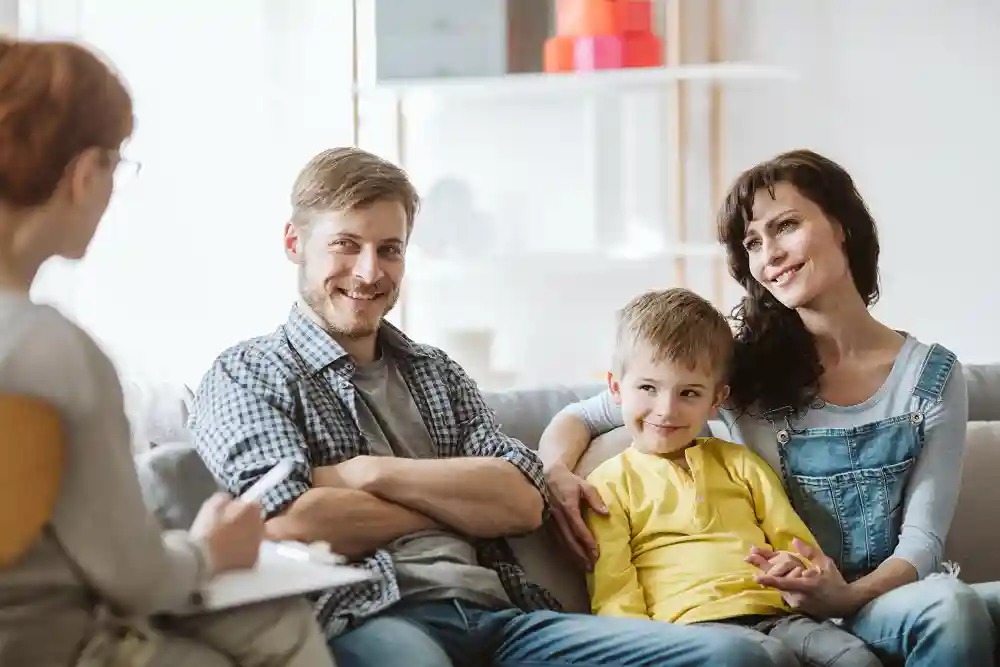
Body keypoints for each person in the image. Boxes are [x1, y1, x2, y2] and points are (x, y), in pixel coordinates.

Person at [188, 145, 792, 667]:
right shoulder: (248, 374)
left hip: (503, 617)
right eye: (346, 245)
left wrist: (370, 474)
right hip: (375, 617)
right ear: (295, 242)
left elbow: (522, 502)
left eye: (390, 249)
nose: (369, 272)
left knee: (733, 656)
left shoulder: (437, 373)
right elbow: (286, 523)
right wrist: (457, 507)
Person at [538, 148, 998, 667]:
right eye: (753, 243)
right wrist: (554, 470)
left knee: (953, 606)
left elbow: (922, 541)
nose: (769, 254)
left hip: (879, 602)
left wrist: (845, 597)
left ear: (842, 225)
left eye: (786, 226)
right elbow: (583, 414)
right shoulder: (738, 369)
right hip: (772, 609)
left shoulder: (930, 376)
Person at [0, 37, 334, 667]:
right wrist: (211, 549)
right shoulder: (54, 353)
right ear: (83, 173)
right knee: (280, 626)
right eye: (118, 166)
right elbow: (135, 577)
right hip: (53, 647)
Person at [585, 287, 882, 667]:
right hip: (690, 631)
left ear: (716, 400)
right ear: (615, 387)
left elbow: (794, 541)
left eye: (689, 393)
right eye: (647, 388)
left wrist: (796, 568)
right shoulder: (607, 485)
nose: (666, 409)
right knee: (768, 659)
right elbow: (614, 594)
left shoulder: (740, 463)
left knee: (855, 657)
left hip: (779, 615)